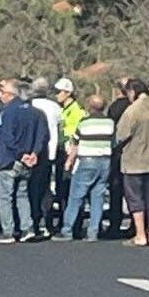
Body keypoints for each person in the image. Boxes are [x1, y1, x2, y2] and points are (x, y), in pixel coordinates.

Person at [0, 79, 45, 243]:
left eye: (4, 93)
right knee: (22, 194)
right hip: (28, 160)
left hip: (9, 159)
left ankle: (8, 230)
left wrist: (21, 154)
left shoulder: (7, 112)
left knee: (5, 196)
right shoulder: (37, 113)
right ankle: (26, 228)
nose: (2, 96)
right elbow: (42, 136)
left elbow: (7, 137)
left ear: (13, 95)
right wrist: (34, 153)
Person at [116, 79, 149, 247]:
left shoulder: (132, 111)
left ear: (132, 91)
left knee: (135, 198)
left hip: (134, 160)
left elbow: (121, 135)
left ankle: (140, 234)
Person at [59, 94, 114, 242]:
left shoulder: (84, 123)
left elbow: (76, 144)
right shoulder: (110, 123)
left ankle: (67, 230)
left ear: (90, 107)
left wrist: (69, 162)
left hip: (87, 161)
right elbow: (115, 142)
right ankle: (93, 232)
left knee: (76, 196)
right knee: (98, 197)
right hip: (105, 162)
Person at [28, 77, 62, 237]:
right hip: (50, 152)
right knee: (45, 189)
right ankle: (45, 222)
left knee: (30, 188)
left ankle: (32, 220)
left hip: (32, 152)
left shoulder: (29, 105)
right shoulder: (55, 107)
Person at [54, 76, 86, 219]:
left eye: (59, 91)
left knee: (69, 188)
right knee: (61, 188)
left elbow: (71, 134)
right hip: (62, 152)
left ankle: (71, 221)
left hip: (71, 154)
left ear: (68, 93)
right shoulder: (63, 109)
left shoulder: (76, 111)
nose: (56, 95)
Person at [105, 79, 131, 237]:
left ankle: (115, 223)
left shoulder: (115, 107)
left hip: (118, 152)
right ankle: (137, 224)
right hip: (133, 153)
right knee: (133, 192)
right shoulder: (133, 107)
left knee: (116, 189)